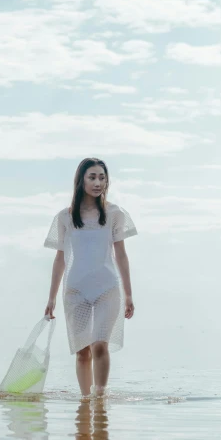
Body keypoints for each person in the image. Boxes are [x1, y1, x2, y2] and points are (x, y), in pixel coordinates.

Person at [44, 157, 137, 397]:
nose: (98, 183)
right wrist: (51, 298)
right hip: (76, 291)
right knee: (82, 351)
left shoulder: (114, 214)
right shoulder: (65, 217)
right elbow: (60, 259)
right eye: (92, 177)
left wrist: (128, 294)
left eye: (102, 178)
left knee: (99, 345)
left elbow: (121, 256)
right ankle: (85, 402)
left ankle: (100, 397)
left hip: (107, 288)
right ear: (81, 180)